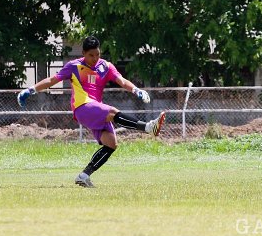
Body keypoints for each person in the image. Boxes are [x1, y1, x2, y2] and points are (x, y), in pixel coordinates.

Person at [17, 36, 166, 187]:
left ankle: (84, 175)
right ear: (83, 53)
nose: (95, 58)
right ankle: (148, 127)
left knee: (111, 143)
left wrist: (136, 90)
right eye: (91, 55)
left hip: (96, 108)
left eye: (97, 54)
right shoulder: (73, 66)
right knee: (113, 112)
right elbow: (52, 80)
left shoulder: (106, 66)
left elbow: (121, 80)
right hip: (82, 107)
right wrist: (30, 90)